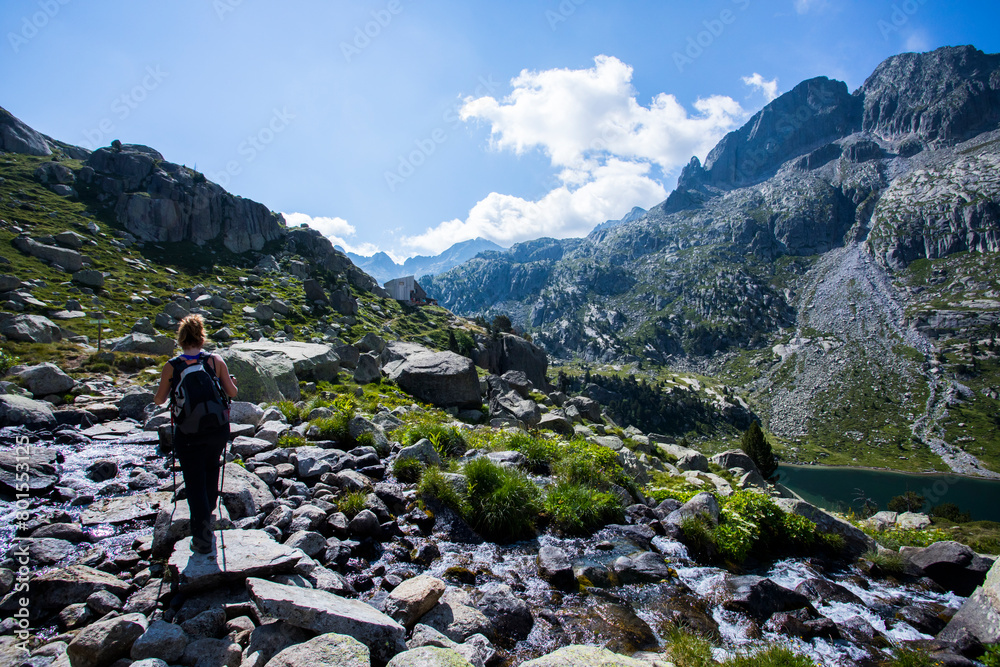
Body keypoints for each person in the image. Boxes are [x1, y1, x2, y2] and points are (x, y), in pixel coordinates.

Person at [154, 314, 238, 554]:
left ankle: (201, 538)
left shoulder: (173, 366)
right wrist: (231, 381)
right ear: (202, 337)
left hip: (188, 433)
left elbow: (160, 400)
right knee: (212, 468)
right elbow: (231, 393)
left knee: (193, 480)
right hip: (217, 429)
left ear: (181, 339)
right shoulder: (215, 361)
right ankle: (209, 513)